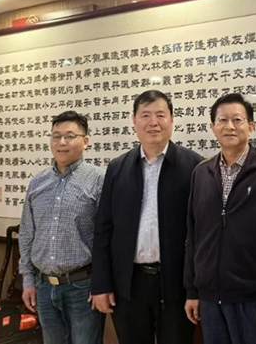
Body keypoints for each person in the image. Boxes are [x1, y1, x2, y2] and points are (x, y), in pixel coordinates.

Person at [91, 90, 202, 344]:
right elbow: (104, 229)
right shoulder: (117, 168)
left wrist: (195, 289)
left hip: (175, 285)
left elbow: (201, 232)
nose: (154, 122)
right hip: (128, 285)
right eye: (146, 115)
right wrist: (101, 284)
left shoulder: (194, 166)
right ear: (134, 120)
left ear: (172, 119)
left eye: (160, 115)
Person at [184, 93, 256, 344]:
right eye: (222, 120)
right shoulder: (201, 172)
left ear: (251, 126)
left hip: (253, 298)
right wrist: (192, 290)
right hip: (209, 298)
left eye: (237, 120)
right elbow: (193, 235)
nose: (229, 126)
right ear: (212, 127)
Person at [19, 110, 105, 344]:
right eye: (56, 136)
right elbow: (27, 234)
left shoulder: (99, 179)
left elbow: (106, 237)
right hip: (43, 286)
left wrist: (101, 285)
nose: (62, 142)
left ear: (85, 141)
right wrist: (28, 281)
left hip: (83, 287)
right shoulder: (38, 182)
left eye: (70, 136)